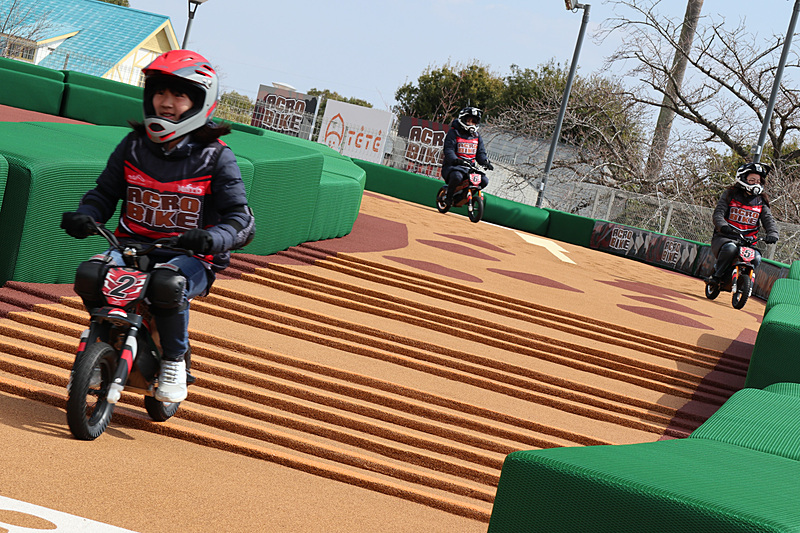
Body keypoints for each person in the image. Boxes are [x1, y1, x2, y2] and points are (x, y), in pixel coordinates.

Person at [60, 50, 254, 403]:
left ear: (200, 102)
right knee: (89, 274)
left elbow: (242, 222)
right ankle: (103, 344)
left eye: (179, 95)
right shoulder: (133, 146)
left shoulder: (216, 156)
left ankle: (174, 363)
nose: (166, 103)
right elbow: (104, 193)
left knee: (168, 284)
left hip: (190, 259)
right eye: (159, 92)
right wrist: (86, 214)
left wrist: (211, 238)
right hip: (131, 248)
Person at [707, 161, 778, 287]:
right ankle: (716, 275)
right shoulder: (730, 194)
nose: (756, 183)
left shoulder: (761, 201)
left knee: (756, 257)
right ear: (743, 179)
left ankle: (744, 281)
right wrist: (723, 226)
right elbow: (718, 213)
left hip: (748, 241)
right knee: (730, 249)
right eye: (752, 180)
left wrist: (772, 233)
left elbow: (769, 220)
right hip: (725, 237)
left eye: (758, 180)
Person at [441, 106, 493, 207]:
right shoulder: (454, 132)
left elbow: (480, 153)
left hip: (470, 168)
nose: (471, 124)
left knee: (484, 181)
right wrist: (455, 160)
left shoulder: (477, 136)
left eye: (474, 121)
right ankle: (449, 197)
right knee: (457, 177)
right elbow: (448, 149)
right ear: (462, 119)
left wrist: (486, 162)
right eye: (469, 121)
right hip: (453, 167)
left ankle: (463, 197)